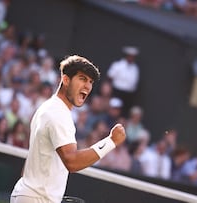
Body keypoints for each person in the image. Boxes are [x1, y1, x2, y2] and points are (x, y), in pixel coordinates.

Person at [10, 55, 126, 203]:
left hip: (31, 194)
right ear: (65, 80)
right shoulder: (58, 113)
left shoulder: (49, 107)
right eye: (82, 79)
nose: (87, 86)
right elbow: (72, 162)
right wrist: (111, 142)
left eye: (90, 82)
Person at [107, 46, 140, 116]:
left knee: (124, 114)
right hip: (117, 92)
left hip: (129, 95)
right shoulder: (118, 65)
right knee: (114, 108)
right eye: (130, 56)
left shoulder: (135, 68)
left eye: (133, 56)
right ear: (127, 56)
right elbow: (110, 77)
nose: (131, 58)